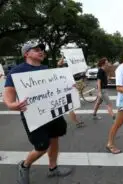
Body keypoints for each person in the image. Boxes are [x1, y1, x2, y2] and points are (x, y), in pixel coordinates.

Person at [3, 42, 72, 184]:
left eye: (42, 50)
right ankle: (24, 165)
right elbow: (8, 94)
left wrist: (69, 87)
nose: (41, 51)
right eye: (36, 50)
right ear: (26, 54)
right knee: (41, 147)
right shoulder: (16, 71)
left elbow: (56, 88)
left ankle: (53, 168)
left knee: (54, 139)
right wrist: (12, 104)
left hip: (52, 112)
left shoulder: (45, 69)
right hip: (33, 115)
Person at [57, 58, 85, 128]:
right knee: (70, 108)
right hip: (64, 92)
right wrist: (63, 57)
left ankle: (76, 121)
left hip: (68, 91)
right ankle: (76, 122)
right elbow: (59, 64)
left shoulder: (67, 72)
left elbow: (71, 81)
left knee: (69, 108)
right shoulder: (60, 71)